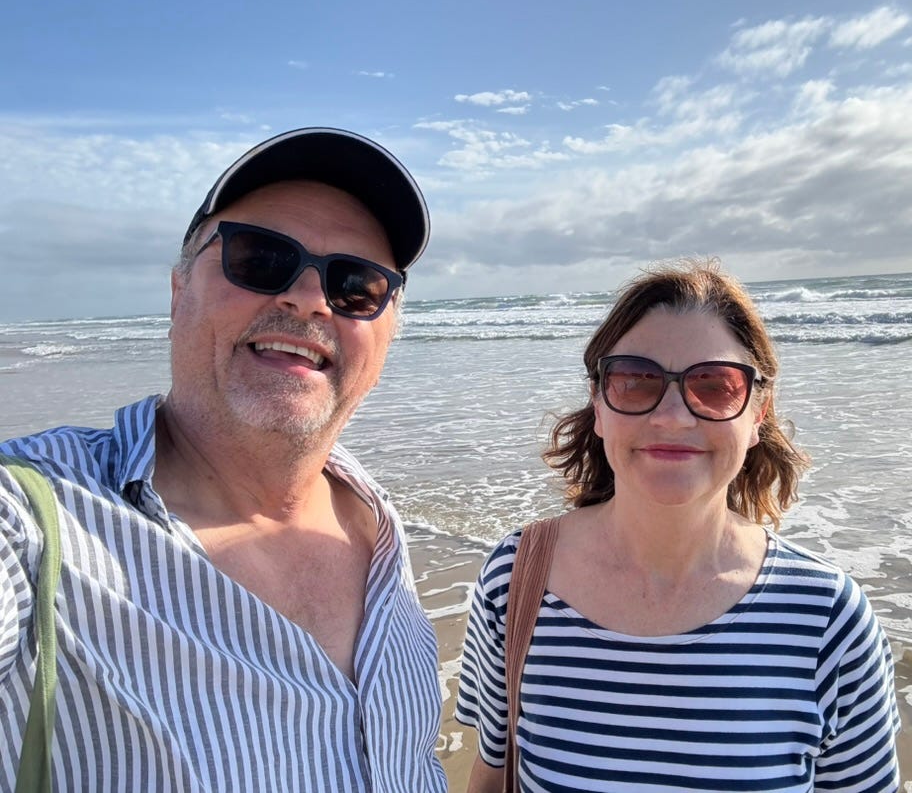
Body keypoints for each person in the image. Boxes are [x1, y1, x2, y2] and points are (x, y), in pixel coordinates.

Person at [0, 128, 447, 792]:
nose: (308, 298)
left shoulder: (378, 525)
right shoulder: (36, 518)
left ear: (388, 333)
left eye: (356, 286)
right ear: (179, 291)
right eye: (260, 257)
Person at [456, 260, 900, 792]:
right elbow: (489, 776)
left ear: (757, 415)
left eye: (714, 385)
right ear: (599, 406)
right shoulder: (516, 579)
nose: (673, 416)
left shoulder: (830, 621)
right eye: (636, 380)